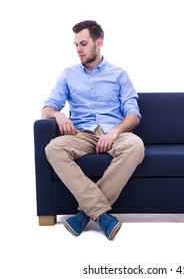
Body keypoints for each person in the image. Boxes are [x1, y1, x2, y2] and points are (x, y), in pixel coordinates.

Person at [42, 20, 145, 240]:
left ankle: (83, 214)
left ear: (99, 43)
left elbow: (133, 115)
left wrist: (115, 132)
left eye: (83, 43)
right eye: (76, 45)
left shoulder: (119, 75)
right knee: (53, 148)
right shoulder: (68, 74)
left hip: (113, 132)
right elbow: (48, 108)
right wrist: (58, 114)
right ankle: (101, 214)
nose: (78, 49)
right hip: (81, 134)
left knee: (135, 145)